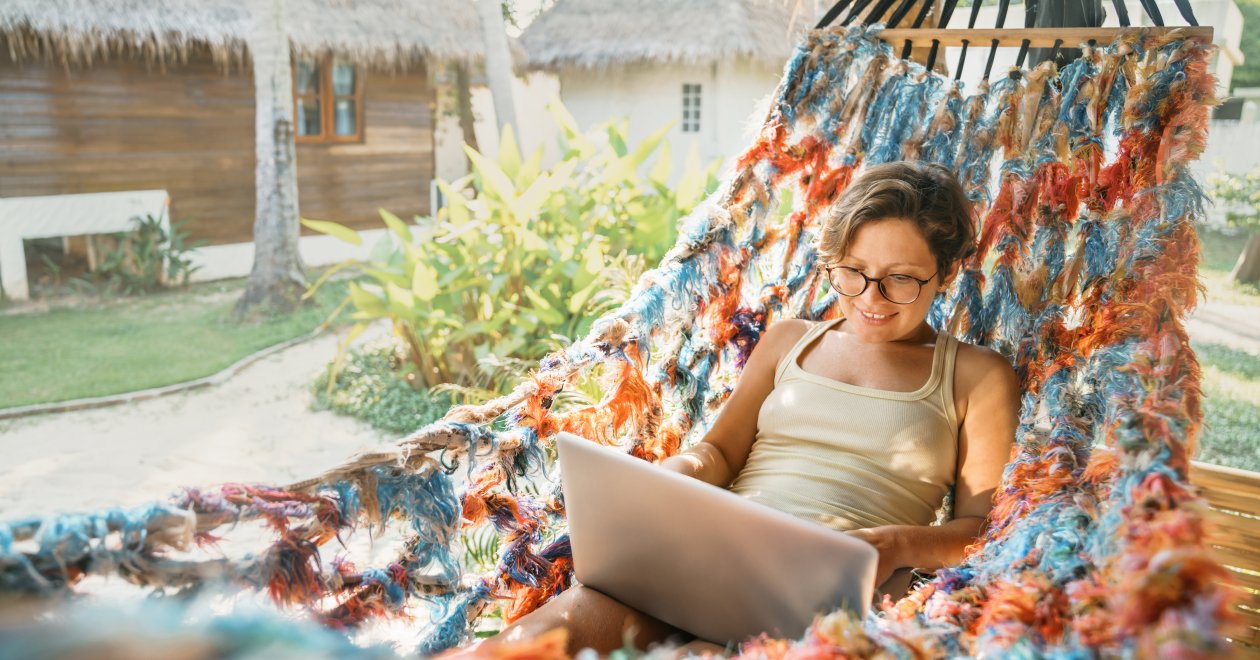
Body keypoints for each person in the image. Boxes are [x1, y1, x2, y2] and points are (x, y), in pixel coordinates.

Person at [463, 161, 1020, 657]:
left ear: (945, 273)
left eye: (901, 279)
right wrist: (675, 478)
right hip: (710, 563)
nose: (870, 299)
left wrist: (895, 544)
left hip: (825, 603)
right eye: (853, 271)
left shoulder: (977, 376)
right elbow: (719, 450)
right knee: (544, 635)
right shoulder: (789, 342)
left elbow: (982, 528)